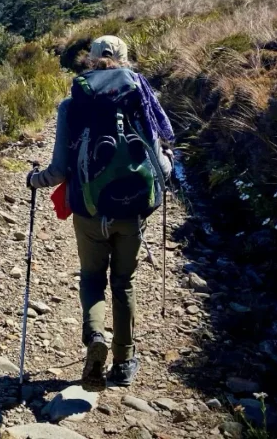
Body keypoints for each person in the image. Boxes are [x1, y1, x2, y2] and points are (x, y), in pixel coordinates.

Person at [28, 35, 173, 388]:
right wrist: (165, 167)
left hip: (90, 212)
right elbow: (161, 164)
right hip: (132, 213)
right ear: (125, 60)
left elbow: (60, 170)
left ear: (90, 61)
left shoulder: (73, 104)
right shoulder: (141, 98)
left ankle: (96, 337)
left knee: (92, 278)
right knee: (124, 283)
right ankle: (124, 363)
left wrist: (35, 180)